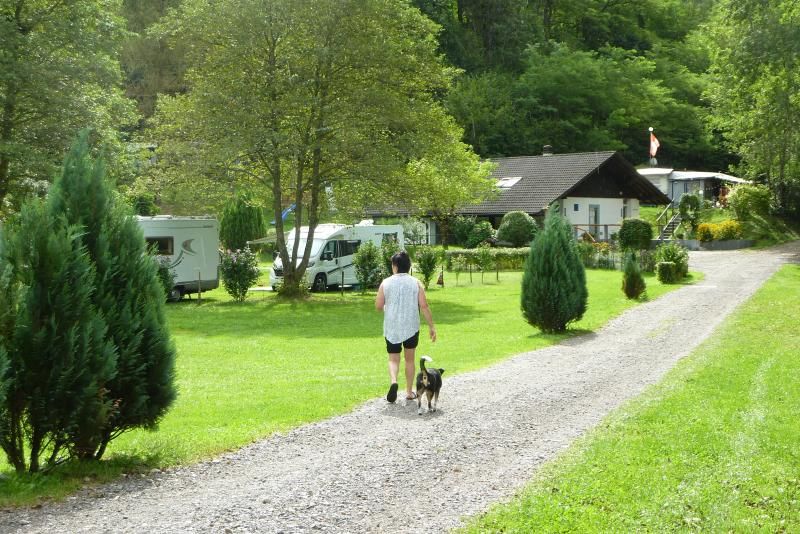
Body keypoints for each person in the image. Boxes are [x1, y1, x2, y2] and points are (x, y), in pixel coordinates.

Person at [375, 250, 436, 403]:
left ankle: (394, 382)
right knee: (410, 359)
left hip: (392, 328)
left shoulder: (386, 282)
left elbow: (378, 305)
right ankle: (409, 392)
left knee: (393, 359)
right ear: (408, 266)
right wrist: (431, 327)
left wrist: (386, 307)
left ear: (394, 266)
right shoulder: (415, 283)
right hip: (411, 327)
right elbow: (424, 306)